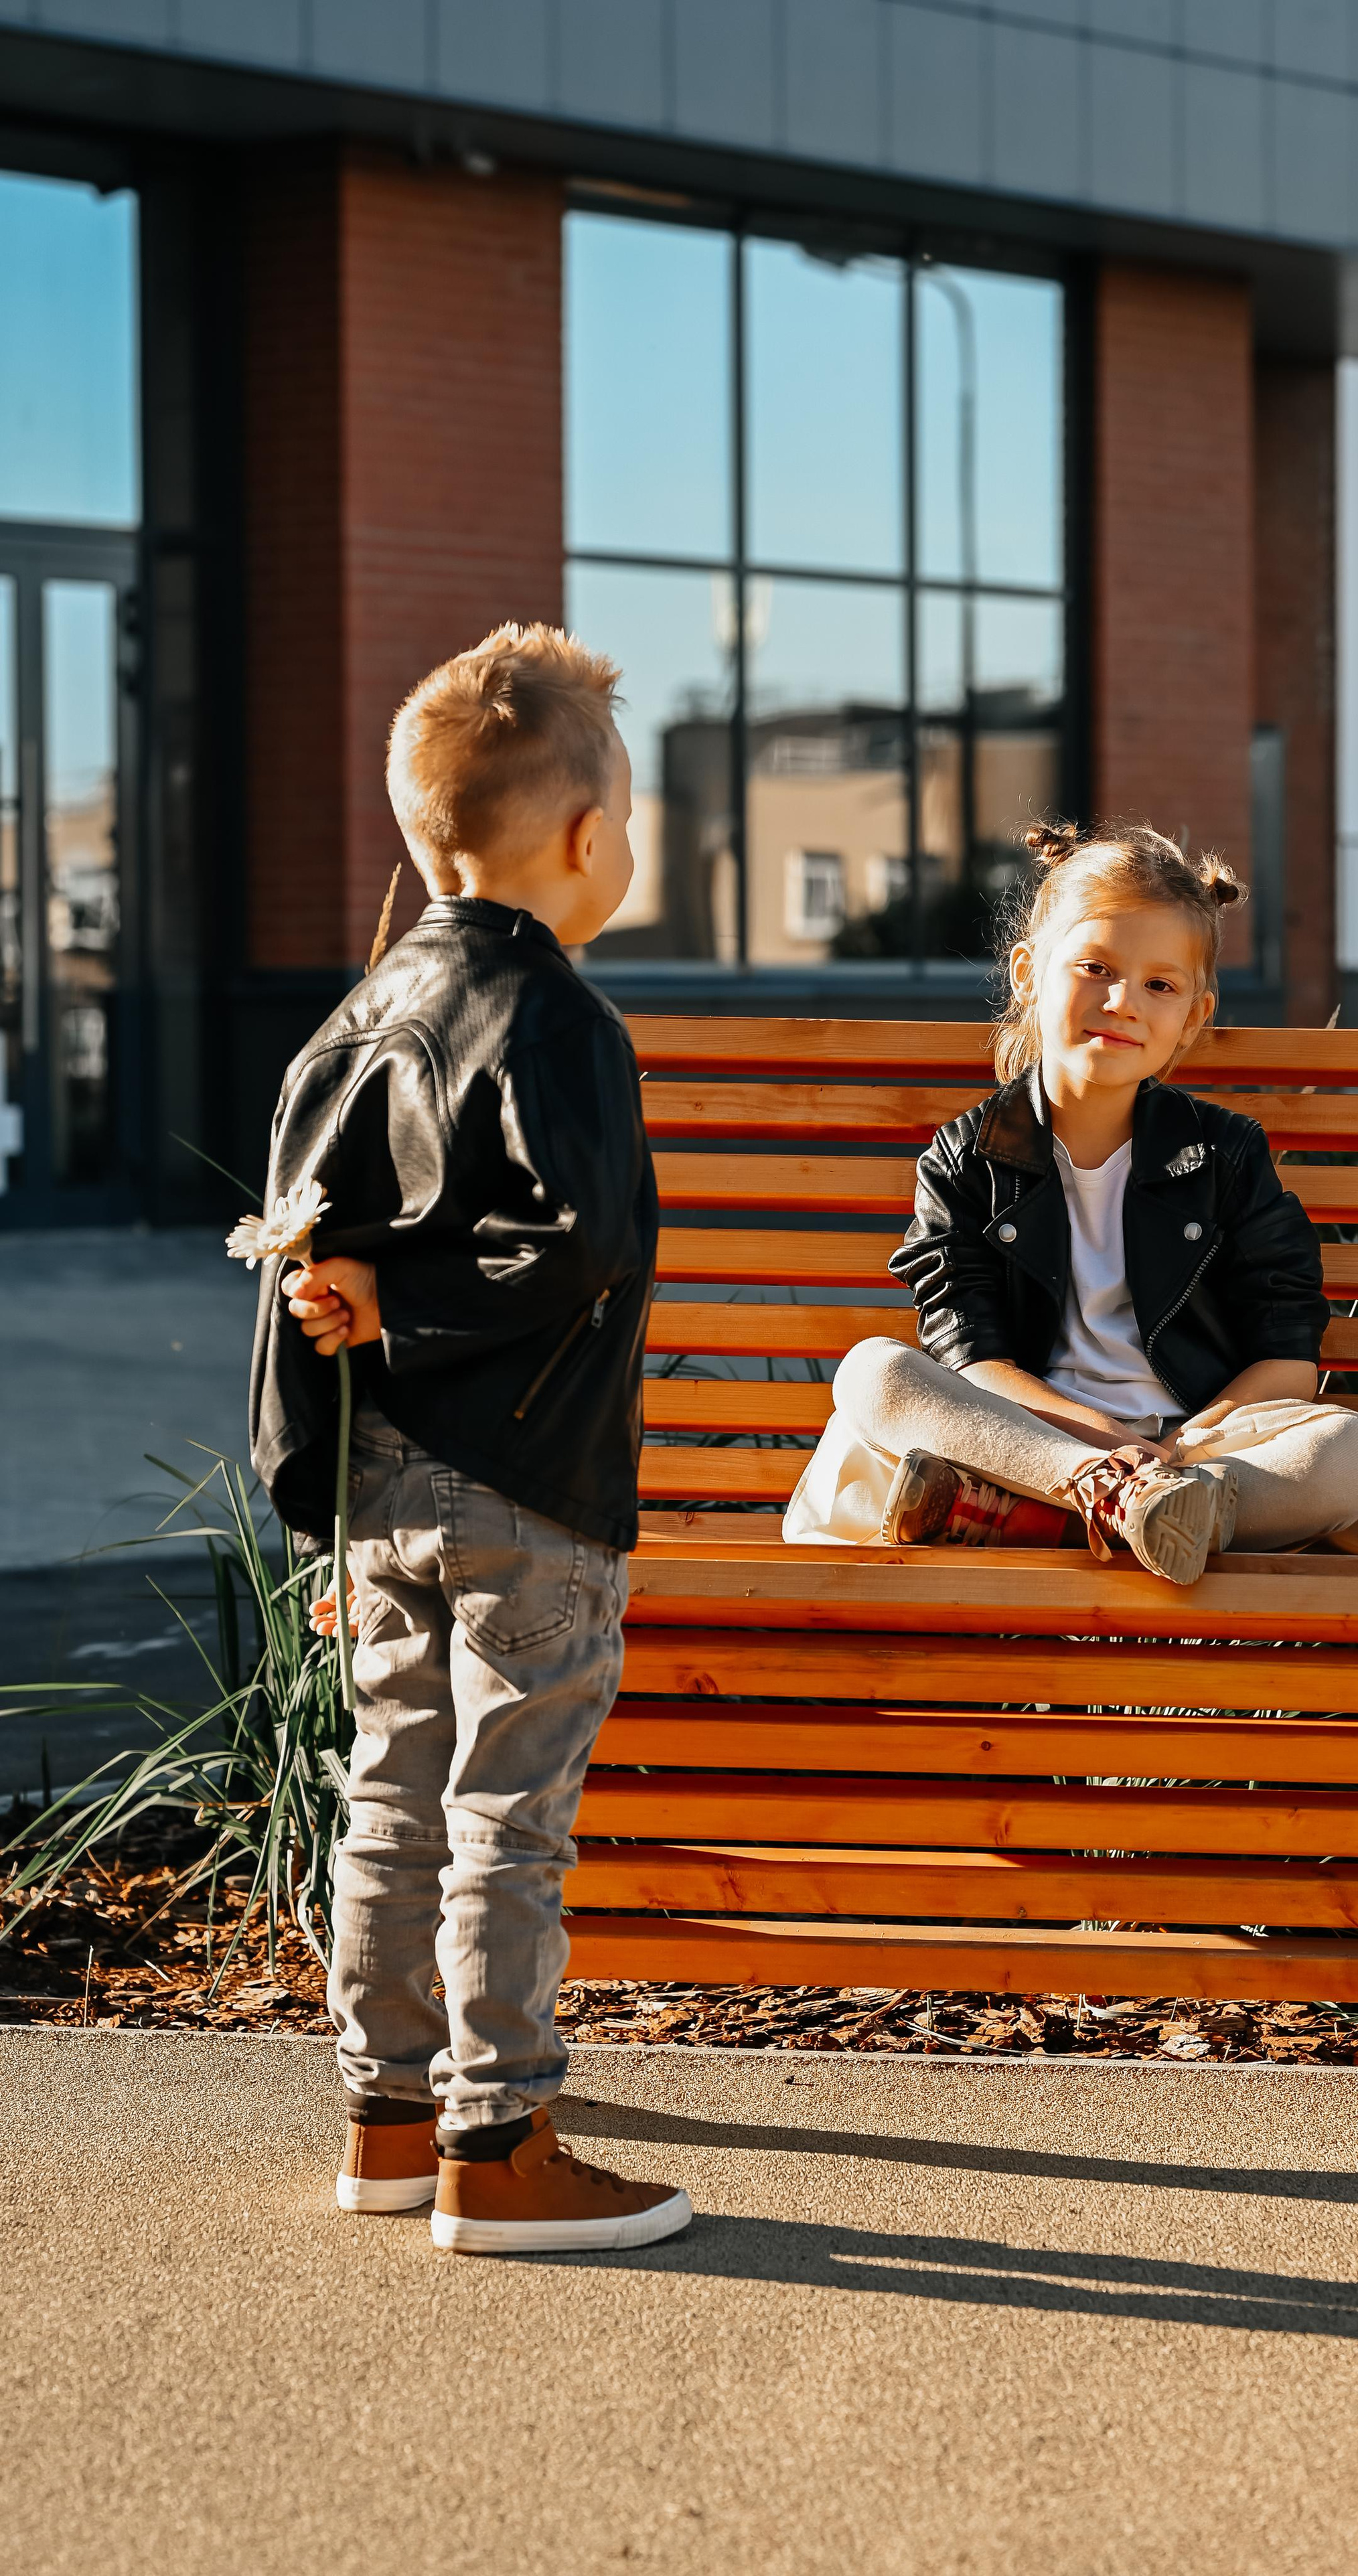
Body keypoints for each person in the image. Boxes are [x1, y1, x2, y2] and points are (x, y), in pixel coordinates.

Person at [250, 623, 691, 2256]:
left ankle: (383, 2114)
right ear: (586, 839)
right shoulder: (556, 1018)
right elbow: (585, 1247)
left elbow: (297, 1271)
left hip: (378, 1489)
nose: (626, 845)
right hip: (531, 1483)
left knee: (392, 1791)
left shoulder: (349, 1022)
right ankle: (495, 2143)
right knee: (509, 1809)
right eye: (628, 819)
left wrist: (316, 1496)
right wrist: (421, 1315)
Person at [783, 822, 1358, 1581]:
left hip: (1202, 1448)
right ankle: (1106, 1505)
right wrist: (1102, 1448)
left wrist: (1173, 1455)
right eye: (1094, 967)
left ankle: (1097, 1516)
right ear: (1028, 973)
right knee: (873, 1374)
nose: (1121, 1001)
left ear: (1194, 1015)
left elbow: (1286, 1359)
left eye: (1159, 984)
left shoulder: (1226, 1155)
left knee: (1348, 1455)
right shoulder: (965, 1160)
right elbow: (974, 1361)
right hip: (1030, 1438)